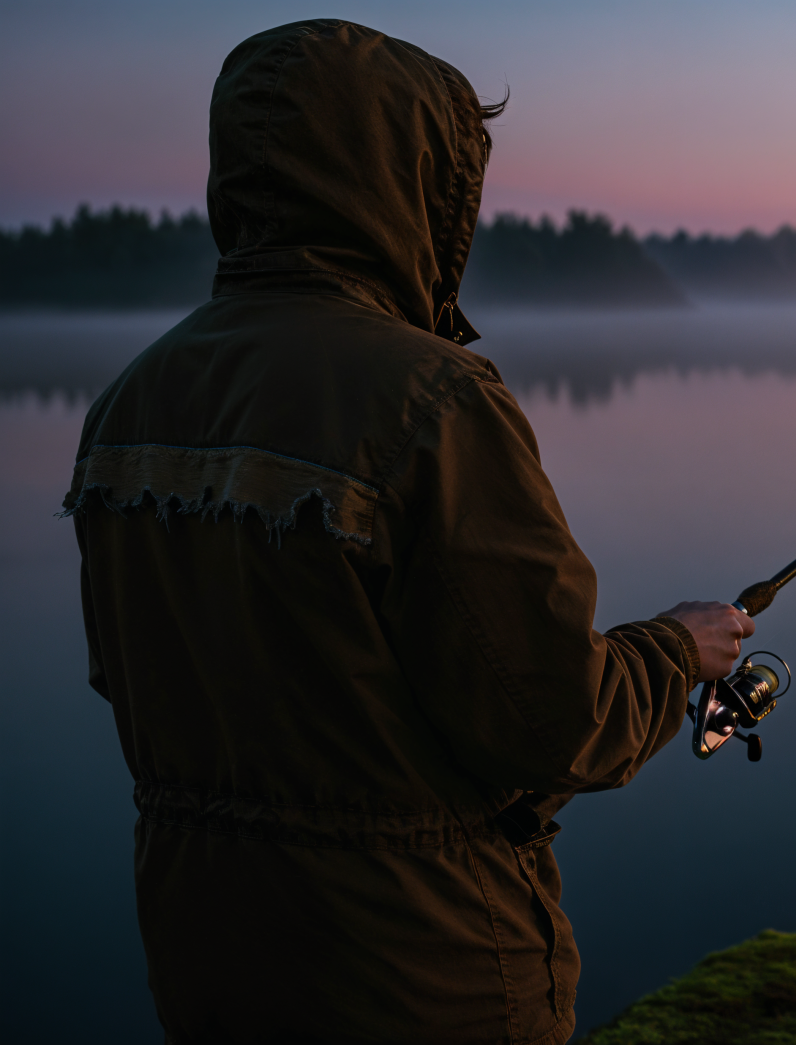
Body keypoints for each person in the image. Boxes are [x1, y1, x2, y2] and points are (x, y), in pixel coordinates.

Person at [61, 19, 746, 1044]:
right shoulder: (432, 400)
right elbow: (556, 720)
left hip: (204, 955)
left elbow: (134, 682)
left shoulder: (127, 407)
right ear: (410, 181)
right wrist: (675, 651)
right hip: (421, 972)